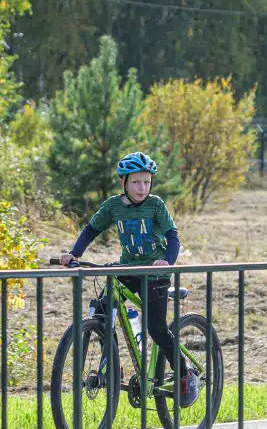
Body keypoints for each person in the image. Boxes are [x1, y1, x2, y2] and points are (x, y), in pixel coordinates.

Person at [60, 151, 198, 406]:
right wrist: (74, 254)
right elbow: (91, 230)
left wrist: (167, 261)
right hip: (128, 269)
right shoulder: (113, 206)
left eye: (146, 182)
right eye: (136, 182)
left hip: (155, 274)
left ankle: (184, 375)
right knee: (102, 310)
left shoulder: (155, 205)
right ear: (123, 182)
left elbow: (173, 236)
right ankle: (113, 365)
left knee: (156, 329)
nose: (142, 187)